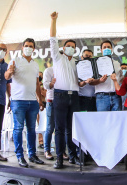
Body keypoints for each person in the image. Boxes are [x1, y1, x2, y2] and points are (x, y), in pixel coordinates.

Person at [50, 11, 93, 169]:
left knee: (71, 129)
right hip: (60, 96)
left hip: (74, 96)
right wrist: (54, 20)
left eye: (73, 47)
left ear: (75, 50)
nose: (70, 48)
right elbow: (52, 39)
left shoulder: (77, 63)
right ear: (63, 48)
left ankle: (73, 156)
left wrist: (81, 84)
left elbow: (78, 81)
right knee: (60, 129)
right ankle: (59, 158)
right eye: (68, 46)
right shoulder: (57, 57)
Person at [4, 38, 45, 167]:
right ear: (22, 48)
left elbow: (37, 83)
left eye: (31, 46)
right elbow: (6, 76)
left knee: (32, 129)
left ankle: (32, 155)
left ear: (34, 49)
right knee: (18, 129)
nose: (28, 48)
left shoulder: (35, 64)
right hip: (18, 101)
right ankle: (20, 156)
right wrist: (9, 72)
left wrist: (40, 100)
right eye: (26, 46)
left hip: (33, 102)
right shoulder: (15, 60)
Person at [90, 40, 123, 111]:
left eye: (108, 47)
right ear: (101, 50)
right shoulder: (95, 64)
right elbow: (91, 82)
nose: (106, 49)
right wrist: (100, 81)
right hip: (102, 97)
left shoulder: (117, 63)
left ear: (112, 49)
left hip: (116, 96)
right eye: (104, 47)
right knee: (103, 120)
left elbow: (121, 80)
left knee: (117, 120)